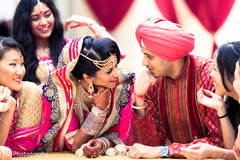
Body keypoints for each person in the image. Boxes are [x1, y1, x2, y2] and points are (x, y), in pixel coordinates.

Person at [126, 17, 223, 159]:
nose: (144, 62)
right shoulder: (153, 83)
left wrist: (167, 150)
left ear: (169, 54)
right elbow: (151, 146)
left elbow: (217, 143)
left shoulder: (208, 75)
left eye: (149, 56)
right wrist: (139, 97)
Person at [36, 36, 134, 158]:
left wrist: (102, 144)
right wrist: (99, 111)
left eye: (116, 66)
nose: (117, 73)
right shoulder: (64, 92)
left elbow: (114, 135)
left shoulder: (121, 84)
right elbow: (76, 145)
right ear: (88, 77)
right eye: (109, 71)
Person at [180, 41, 240, 159]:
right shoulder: (233, 104)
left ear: (234, 74)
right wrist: (221, 108)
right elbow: (234, 150)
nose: (211, 74)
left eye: (215, 69)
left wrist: (214, 152)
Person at [0, 36, 47, 156]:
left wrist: (9, 109)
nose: (21, 71)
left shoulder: (29, 92)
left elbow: (22, 149)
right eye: (13, 64)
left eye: (21, 64)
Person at [12, 0, 67, 86]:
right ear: (25, 23)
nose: (44, 22)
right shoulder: (17, 54)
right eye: (35, 18)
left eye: (47, 15)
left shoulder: (68, 46)